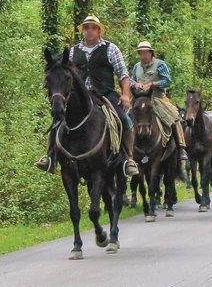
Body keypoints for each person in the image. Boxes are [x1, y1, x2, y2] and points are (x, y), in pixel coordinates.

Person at [36, 15, 140, 176]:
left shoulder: (111, 49)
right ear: (82, 31)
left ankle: (128, 159)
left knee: (125, 120)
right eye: (86, 28)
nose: (89, 31)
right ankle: (50, 157)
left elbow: (123, 74)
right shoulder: (72, 52)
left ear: (99, 31)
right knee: (58, 118)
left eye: (93, 28)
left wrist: (126, 95)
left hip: (105, 94)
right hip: (79, 97)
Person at [130, 41, 188, 162]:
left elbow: (167, 81)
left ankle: (181, 146)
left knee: (174, 117)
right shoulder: (136, 67)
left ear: (151, 53)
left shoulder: (160, 64)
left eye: (145, 52)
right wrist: (135, 84)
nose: (143, 55)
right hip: (140, 99)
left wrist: (152, 84)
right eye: (141, 53)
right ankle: (125, 150)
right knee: (125, 118)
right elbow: (131, 81)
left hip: (158, 98)